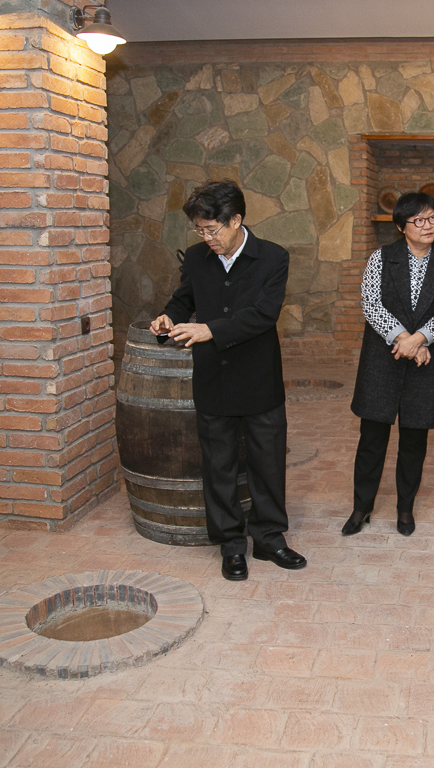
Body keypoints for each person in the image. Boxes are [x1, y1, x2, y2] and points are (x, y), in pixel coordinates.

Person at [150, 180, 306, 581]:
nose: (206, 238)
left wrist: (210, 330)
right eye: (200, 230)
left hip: (258, 377)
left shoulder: (273, 257)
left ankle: (269, 538)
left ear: (235, 220)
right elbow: (183, 299)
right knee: (218, 465)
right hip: (213, 377)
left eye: (211, 229)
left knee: (267, 462)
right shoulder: (198, 258)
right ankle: (231, 545)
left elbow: (264, 315)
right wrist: (169, 317)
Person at [341, 192, 434, 537]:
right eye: (418, 220)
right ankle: (361, 507)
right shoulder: (381, 258)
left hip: (427, 360)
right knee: (372, 438)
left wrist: (419, 339)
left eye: (433, 218)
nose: (428, 226)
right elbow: (371, 303)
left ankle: (405, 508)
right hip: (383, 358)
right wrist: (405, 340)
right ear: (401, 226)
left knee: (414, 439)